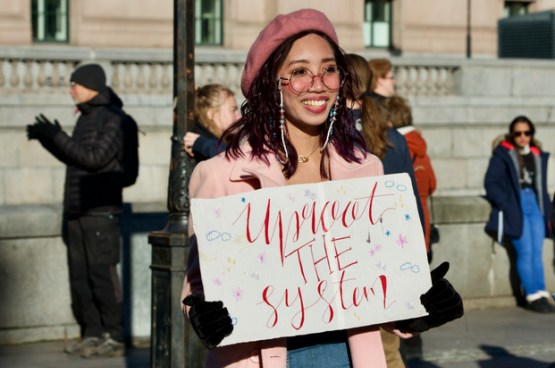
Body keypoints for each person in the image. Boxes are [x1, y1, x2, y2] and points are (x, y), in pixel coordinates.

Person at [181, 9, 463, 368]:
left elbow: (374, 286)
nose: (318, 83)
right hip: (259, 359)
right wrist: (204, 316)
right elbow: (195, 285)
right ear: (272, 82)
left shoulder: (367, 170)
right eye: (299, 71)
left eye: (329, 69)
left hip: (348, 356)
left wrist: (419, 305)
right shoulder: (221, 174)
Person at [26, 64, 127, 357]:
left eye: (75, 84)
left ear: (91, 86)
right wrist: (50, 140)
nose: (71, 89)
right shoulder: (86, 117)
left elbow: (94, 159)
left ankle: (115, 336)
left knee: (102, 276)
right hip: (76, 209)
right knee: (80, 278)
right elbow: (77, 159)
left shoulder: (112, 118)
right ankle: (93, 333)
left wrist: (57, 136)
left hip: (100, 211)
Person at [347, 54, 427, 368]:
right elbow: (411, 205)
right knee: (388, 351)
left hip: (350, 257)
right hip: (391, 254)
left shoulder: (331, 135)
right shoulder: (390, 135)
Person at [484, 116, 554, 313]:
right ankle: (531, 296)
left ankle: (541, 294)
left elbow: (541, 187)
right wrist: (506, 204)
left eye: (527, 133)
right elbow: (491, 183)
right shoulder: (502, 154)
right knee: (524, 252)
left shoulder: (537, 154)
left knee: (537, 254)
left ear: (531, 134)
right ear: (511, 134)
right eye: (518, 133)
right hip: (516, 205)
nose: (523, 137)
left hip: (535, 204)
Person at [385, 95, 437, 257]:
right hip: (423, 224)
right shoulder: (421, 148)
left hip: (402, 227)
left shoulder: (394, 147)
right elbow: (432, 184)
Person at [183, 84, 241, 161]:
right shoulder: (197, 145)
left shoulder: (204, 143)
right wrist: (204, 145)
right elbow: (236, 161)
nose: (239, 117)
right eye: (233, 110)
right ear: (211, 114)